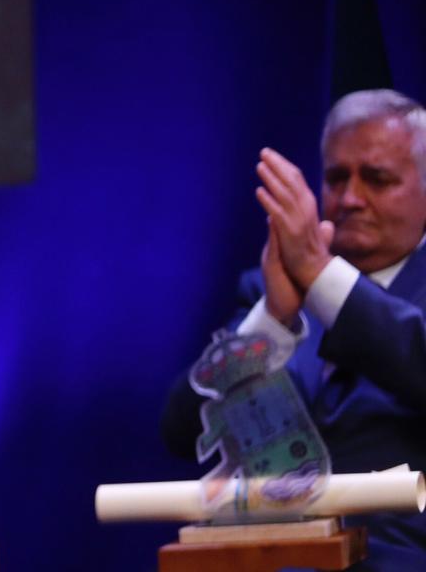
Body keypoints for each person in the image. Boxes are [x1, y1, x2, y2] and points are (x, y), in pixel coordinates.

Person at [162, 89, 426, 569]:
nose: (349, 198)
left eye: (377, 179)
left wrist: (322, 276)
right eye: (335, 178)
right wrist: (275, 320)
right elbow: (182, 430)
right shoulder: (268, 291)